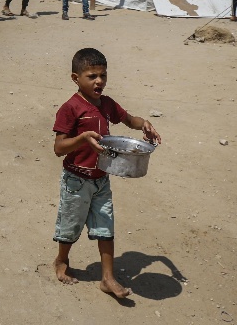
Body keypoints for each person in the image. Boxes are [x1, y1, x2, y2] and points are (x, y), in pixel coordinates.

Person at [52, 48, 162, 298]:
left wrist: (144, 123)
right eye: (91, 76)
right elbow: (59, 148)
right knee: (70, 225)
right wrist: (82, 138)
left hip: (101, 178)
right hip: (76, 179)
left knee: (106, 227)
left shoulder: (107, 104)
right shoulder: (71, 108)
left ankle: (107, 278)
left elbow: (129, 119)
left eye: (103, 75)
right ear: (75, 78)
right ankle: (61, 260)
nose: (99, 81)